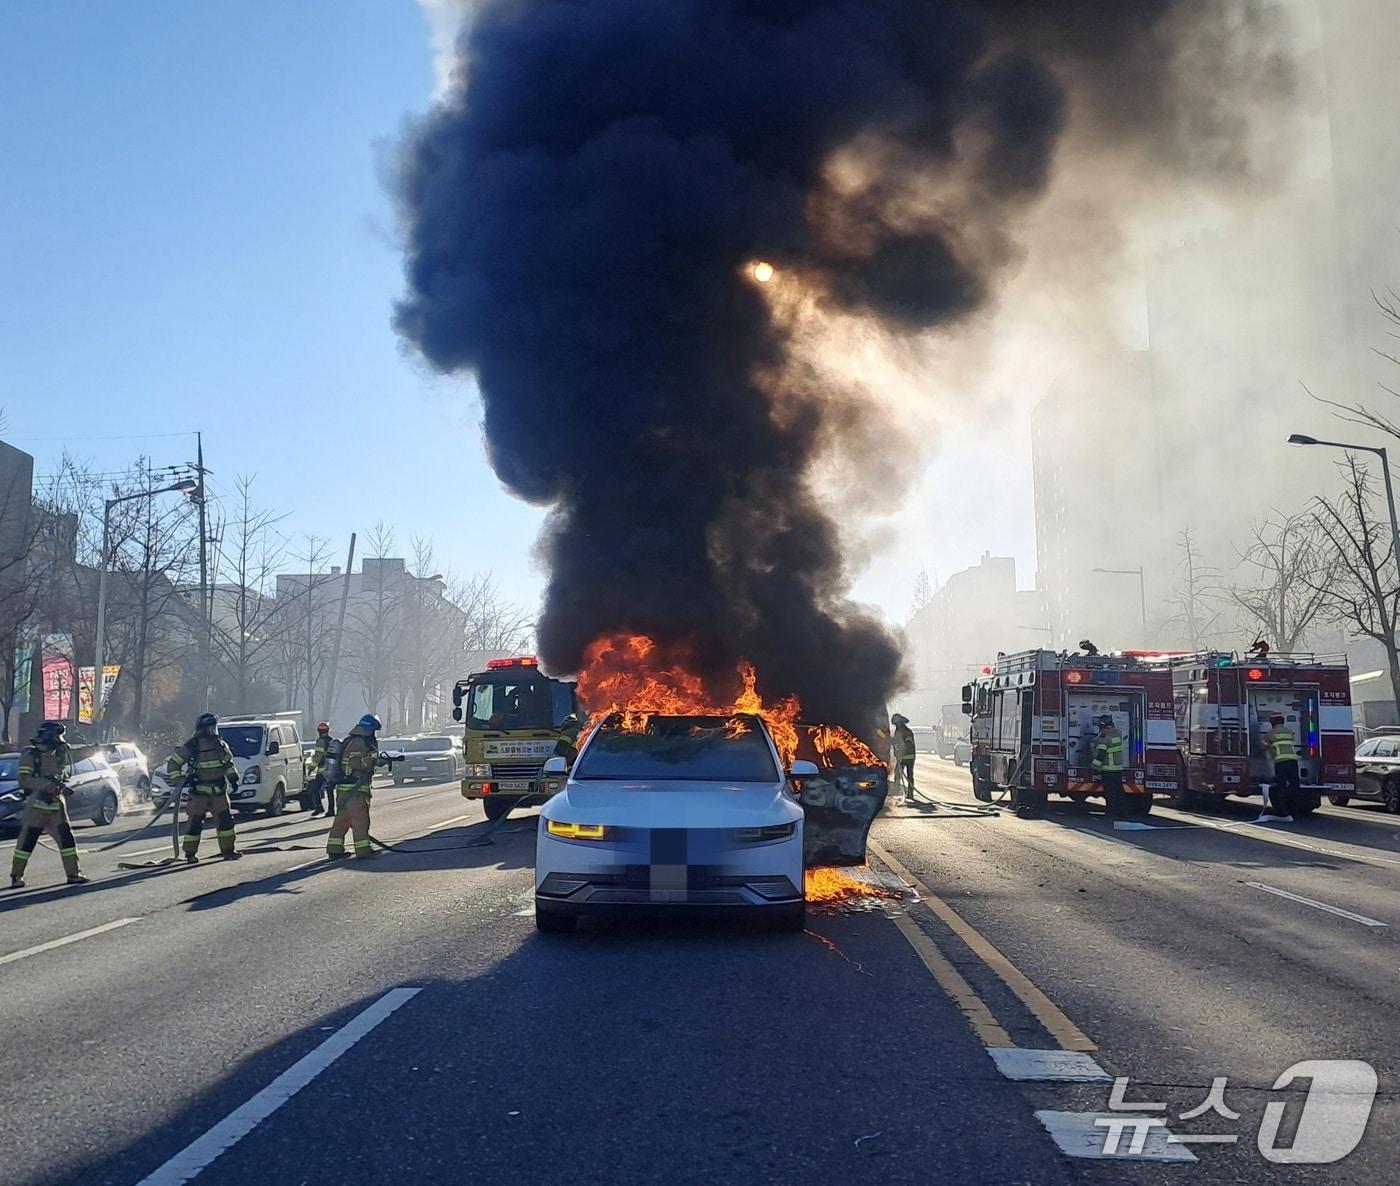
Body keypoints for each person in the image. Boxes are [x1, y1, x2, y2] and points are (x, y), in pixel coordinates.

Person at [9, 720, 88, 889]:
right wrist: (46, 785)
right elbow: (24, 780)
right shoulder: (30, 755)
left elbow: (78, 753)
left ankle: (74, 874)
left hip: (56, 807)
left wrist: (99, 749)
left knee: (67, 841)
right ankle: (16, 876)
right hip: (36, 807)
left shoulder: (59, 753)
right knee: (26, 844)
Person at [167, 713, 242, 864]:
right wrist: (179, 778)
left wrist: (233, 778)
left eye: (214, 727)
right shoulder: (192, 746)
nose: (213, 730)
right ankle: (190, 854)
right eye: (210, 727)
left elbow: (227, 763)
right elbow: (174, 763)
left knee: (226, 823)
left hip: (218, 790)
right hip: (199, 792)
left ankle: (228, 851)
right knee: (195, 824)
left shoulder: (220, 744)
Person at [327, 713, 384, 860]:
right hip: (355, 789)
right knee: (360, 819)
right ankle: (363, 850)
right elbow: (355, 762)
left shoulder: (351, 740)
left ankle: (334, 849)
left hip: (345, 788)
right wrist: (373, 760)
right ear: (369, 729)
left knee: (342, 819)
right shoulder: (359, 742)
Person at [1261, 710, 1299, 821]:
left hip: (1281, 763)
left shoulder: (1271, 733)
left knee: (1281, 787)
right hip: (1293, 761)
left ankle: (1282, 811)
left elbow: (1263, 747)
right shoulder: (1289, 731)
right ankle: (1293, 809)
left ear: (1272, 721)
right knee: (1294, 786)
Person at [1092, 713, 1126, 815]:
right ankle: (1122, 812)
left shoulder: (1104, 736)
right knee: (1119, 791)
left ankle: (1112, 812)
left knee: (1110, 792)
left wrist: (1094, 766)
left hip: (1108, 769)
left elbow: (1101, 753)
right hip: (1118, 768)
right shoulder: (1118, 733)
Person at [307, 721, 335, 817]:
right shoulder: (331, 741)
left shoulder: (320, 741)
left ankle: (319, 807)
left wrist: (311, 768)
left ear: (319, 731)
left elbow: (318, 757)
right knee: (329, 790)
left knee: (315, 789)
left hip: (322, 771)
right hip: (331, 770)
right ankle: (331, 810)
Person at [890, 713, 916, 803]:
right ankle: (898, 793)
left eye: (896, 724)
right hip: (902, 757)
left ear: (900, 723)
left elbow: (908, 744)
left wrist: (900, 752)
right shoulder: (899, 731)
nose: (896, 726)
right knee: (898, 774)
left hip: (908, 757)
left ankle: (910, 794)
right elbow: (895, 741)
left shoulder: (907, 732)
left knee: (908, 775)